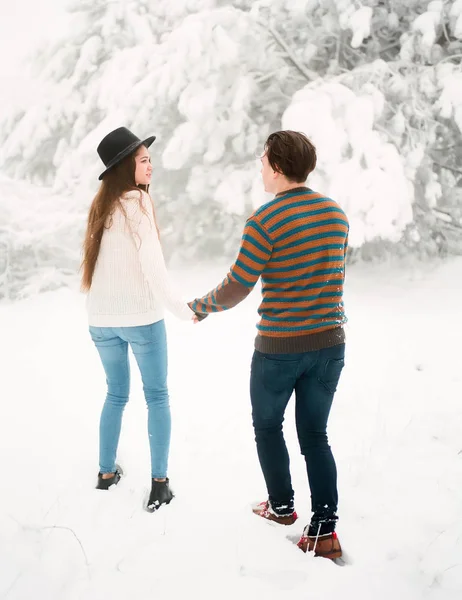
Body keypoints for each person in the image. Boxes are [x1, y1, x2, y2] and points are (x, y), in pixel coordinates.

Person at [190, 130, 349, 559]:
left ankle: (281, 508)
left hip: (280, 349)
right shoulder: (336, 214)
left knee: (267, 426)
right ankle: (324, 530)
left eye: (263, 160)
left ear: (278, 168)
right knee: (315, 435)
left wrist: (201, 305)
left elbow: (238, 286)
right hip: (331, 343)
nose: (260, 165)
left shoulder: (265, 221)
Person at [81, 126, 196, 512]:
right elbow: (152, 266)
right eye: (143, 160)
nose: (150, 165)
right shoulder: (139, 204)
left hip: (101, 321)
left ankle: (105, 473)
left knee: (115, 394)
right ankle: (160, 485)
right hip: (141, 321)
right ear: (125, 167)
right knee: (157, 396)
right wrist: (182, 309)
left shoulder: (102, 207)